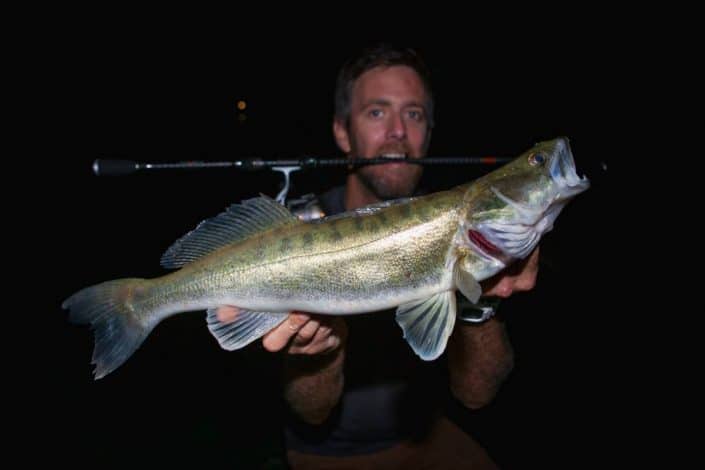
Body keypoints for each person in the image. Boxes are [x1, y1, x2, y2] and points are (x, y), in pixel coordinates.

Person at [218, 43, 539, 469]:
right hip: (327, 451)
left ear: (429, 132)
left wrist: (481, 298)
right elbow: (311, 415)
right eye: (376, 112)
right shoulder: (297, 230)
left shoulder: (460, 225)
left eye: (414, 114)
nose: (398, 132)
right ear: (341, 132)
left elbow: (478, 394)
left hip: (428, 436)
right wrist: (321, 350)